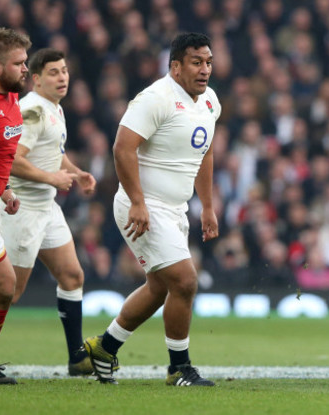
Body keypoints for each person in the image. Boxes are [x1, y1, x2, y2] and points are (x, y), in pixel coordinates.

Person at [83, 32, 221, 386]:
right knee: (186, 281)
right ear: (175, 67)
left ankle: (104, 347)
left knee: (161, 288)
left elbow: (203, 152)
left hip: (175, 208)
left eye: (208, 62)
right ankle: (179, 367)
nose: (205, 70)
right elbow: (122, 149)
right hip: (141, 205)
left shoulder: (209, 103)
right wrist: (139, 202)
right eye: (196, 62)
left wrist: (206, 205)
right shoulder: (155, 98)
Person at [0, 48, 96, 376]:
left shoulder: (53, 108)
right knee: (7, 292)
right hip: (20, 209)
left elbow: (52, 152)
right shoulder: (31, 110)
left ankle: (77, 358)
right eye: (54, 72)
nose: (63, 77)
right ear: (36, 79)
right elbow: (13, 158)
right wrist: (51, 178)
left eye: (65, 70)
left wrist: (75, 171)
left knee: (72, 276)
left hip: (46, 206)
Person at [0, 27, 31, 385]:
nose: (26, 69)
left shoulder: (11, 97)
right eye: (19, 63)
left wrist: (6, 190)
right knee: (3, 284)